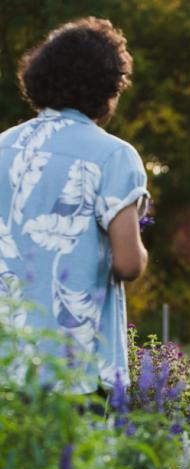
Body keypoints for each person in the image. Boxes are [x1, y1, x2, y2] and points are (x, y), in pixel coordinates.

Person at [0, 18, 149, 394]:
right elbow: (128, 264)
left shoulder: (3, 147)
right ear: (108, 88)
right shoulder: (113, 155)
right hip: (76, 366)